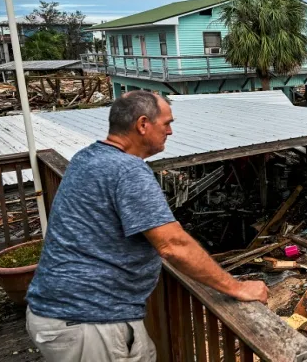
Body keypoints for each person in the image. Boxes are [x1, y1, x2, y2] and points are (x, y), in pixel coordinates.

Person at [25, 91, 267, 361]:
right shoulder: (127, 170)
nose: (171, 132)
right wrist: (236, 287)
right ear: (142, 124)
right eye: (166, 123)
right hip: (89, 319)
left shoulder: (87, 157)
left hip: (65, 312)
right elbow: (173, 245)